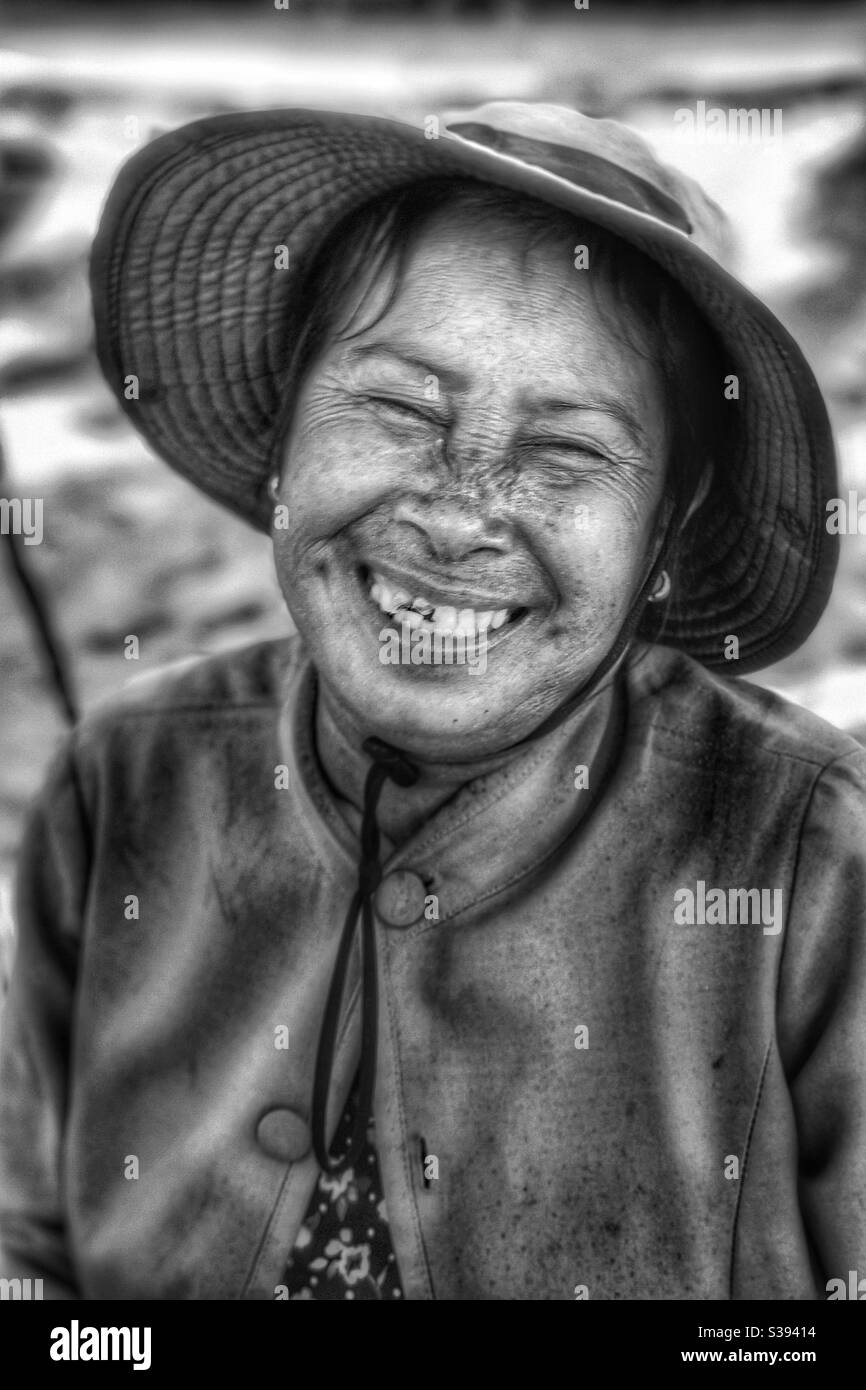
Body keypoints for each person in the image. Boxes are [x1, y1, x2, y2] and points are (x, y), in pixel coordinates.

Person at [1, 100, 863, 1301]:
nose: (459, 514)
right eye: (400, 409)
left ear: (664, 526)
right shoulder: (127, 777)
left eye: (564, 453)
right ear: (282, 436)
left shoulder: (808, 849)